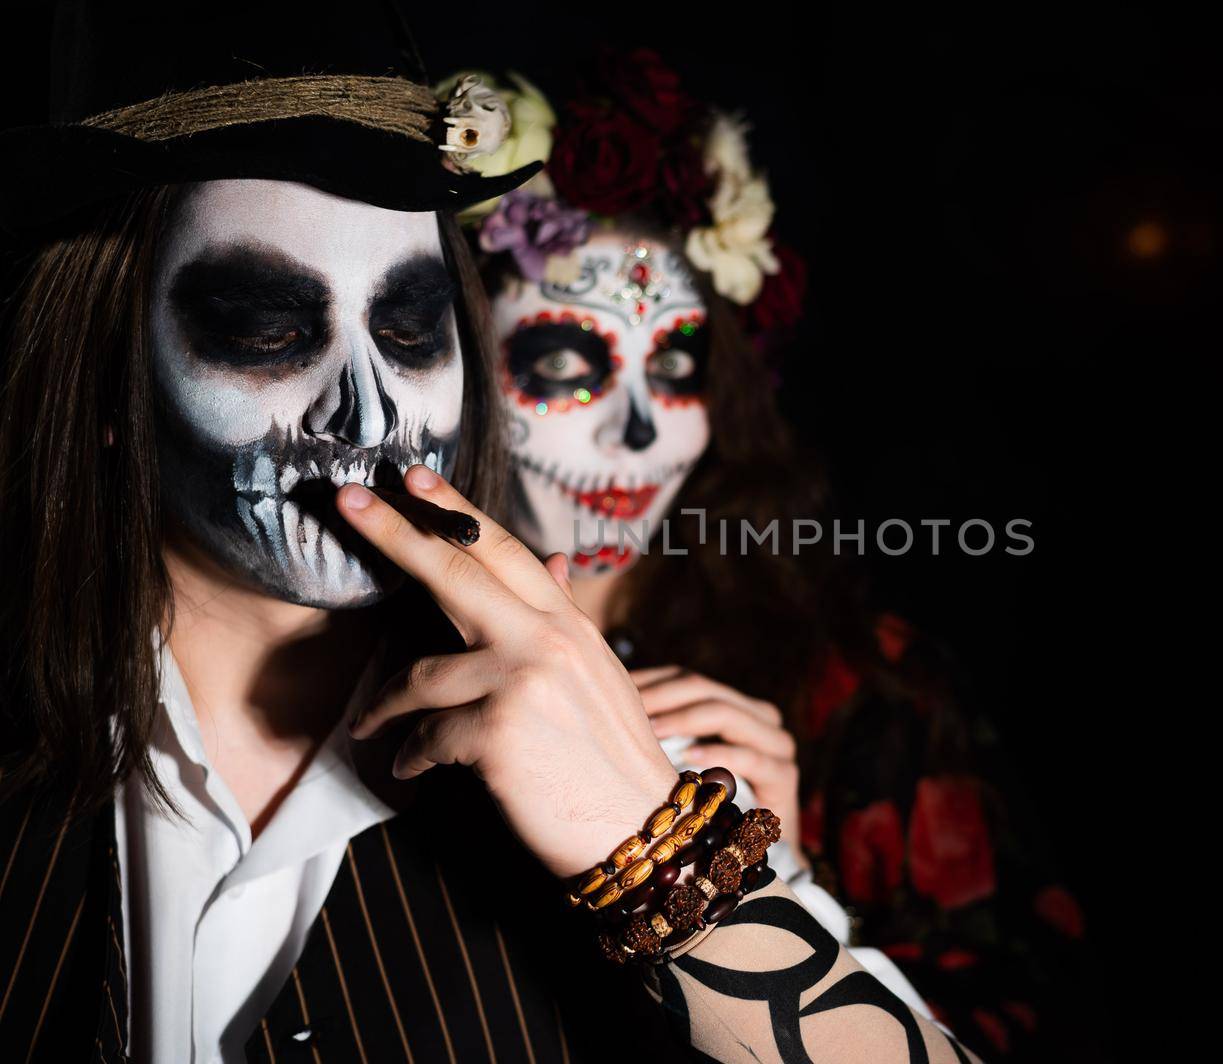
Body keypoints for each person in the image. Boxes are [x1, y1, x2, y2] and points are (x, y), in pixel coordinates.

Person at [0, 5, 980, 1062]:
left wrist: (655, 849)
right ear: (105, 374)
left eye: (409, 329)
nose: (369, 419)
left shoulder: (636, 768)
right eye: (271, 331)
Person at [448, 54, 1108, 1060]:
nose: (637, 433)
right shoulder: (341, 660)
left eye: (673, 368)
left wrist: (784, 881)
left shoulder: (864, 691)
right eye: (567, 365)